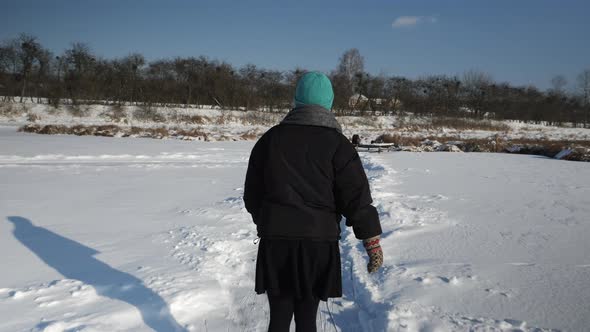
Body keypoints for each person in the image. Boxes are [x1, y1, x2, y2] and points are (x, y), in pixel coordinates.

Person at [244, 71, 383, 332]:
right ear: (328, 104)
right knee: (307, 319)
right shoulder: (339, 145)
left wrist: (267, 220)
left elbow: (252, 194)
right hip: (317, 246)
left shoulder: (270, 140)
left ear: (296, 101)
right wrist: (371, 240)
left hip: (277, 244)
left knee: (279, 318)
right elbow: (356, 198)